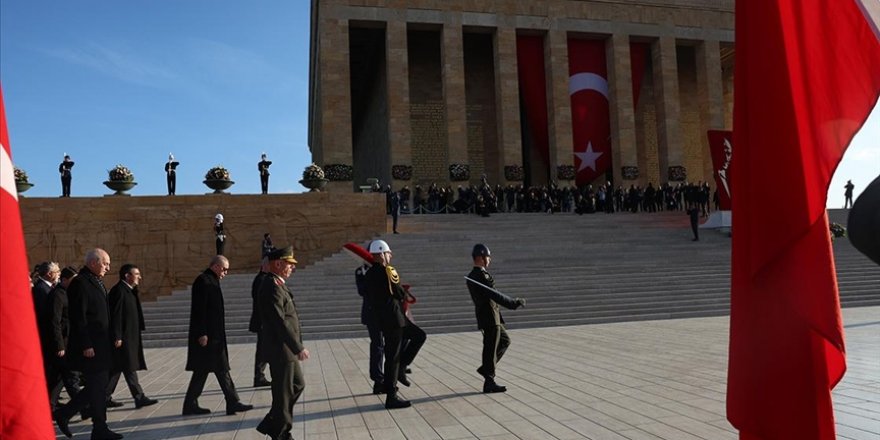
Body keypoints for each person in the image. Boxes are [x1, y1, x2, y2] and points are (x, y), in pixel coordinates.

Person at [55, 248, 123, 440]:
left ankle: (66, 415)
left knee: (97, 386)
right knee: (98, 386)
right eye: (105, 263)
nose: (108, 268)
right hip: (91, 347)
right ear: (93, 262)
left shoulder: (95, 281)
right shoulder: (80, 283)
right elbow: (79, 318)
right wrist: (86, 344)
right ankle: (98, 428)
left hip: (101, 344)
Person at [182, 255, 253, 416]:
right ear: (215, 266)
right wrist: (202, 333)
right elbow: (199, 310)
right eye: (224, 269)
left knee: (203, 370)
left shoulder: (211, 280)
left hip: (214, 335)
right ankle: (232, 402)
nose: (225, 272)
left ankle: (190, 404)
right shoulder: (204, 281)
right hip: (208, 337)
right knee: (221, 368)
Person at [363, 240, 426, 409]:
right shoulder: (388, 271)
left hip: (383, 319)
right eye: (388, 253)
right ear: (382, 254)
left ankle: (401, 369)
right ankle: (392, 395)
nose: (390, 255)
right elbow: (399, 292)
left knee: (417, 337)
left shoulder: (368, 274)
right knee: (393, 357)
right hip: (394, 319)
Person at [255, 246, 309, 440]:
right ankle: (281, 432)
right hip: (281, 349)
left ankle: (273, 422)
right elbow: (280, 322)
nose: (291, 268)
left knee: (296, 385)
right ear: (278, 264)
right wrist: (298, 347)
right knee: (284, 392)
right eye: (289, 264)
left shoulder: (278, 284)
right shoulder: (271, 286)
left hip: (286, 349)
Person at [466, 244, 525, 393]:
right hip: (489, 317)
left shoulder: (474, 275)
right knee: (491, 348)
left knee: (504, 341)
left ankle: (486, 369)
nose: (489, 259)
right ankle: (489, 380)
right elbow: (494, 294)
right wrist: (513, 303)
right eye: (487, 257)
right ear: (480, 257)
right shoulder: (480, 276)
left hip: (490, 316)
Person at [106, 264, 158, 409]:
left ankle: (104, 396)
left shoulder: (129, 290)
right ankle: (139, 397)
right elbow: (115, 315)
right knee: (127, 366)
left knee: (118, 368)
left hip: (129, 336)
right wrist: (117, 336)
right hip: (123, 338)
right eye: (137, 274)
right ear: (127, 276)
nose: (139, 277)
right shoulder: (119, 291)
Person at [44, 266, 83, 414]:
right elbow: (55, 322)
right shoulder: (58, 295)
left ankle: (50, 406)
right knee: (71, 376)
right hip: (62, 343)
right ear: (64, 280)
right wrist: (59, 345)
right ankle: (84, 407)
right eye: (73, 280)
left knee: (59, 378)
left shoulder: (68, 293)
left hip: (69, 341)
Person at [355, 259, 384, 394]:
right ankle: (378, 380)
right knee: (377, 345)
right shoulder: (361, 271)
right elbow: (362, 291)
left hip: (386, 313)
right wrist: (368, 277)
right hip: (372, 314)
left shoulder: (384, 269)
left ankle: (394, 372)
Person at [249, 257, 272, 387]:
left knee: (263, 349)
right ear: (264, 266)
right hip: (263, 322)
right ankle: (259, 376)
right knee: (263, 349)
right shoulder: (261, 280)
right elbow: (261, 302)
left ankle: (260, 375)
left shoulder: (262, 279)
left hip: (263, 321)